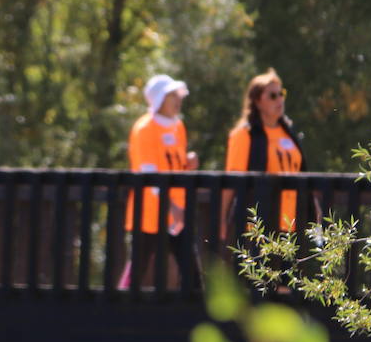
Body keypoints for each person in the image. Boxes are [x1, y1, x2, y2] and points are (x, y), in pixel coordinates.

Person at [124, 74, 200, 290]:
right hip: (149, 213)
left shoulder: (178, 127)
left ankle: (195, 318)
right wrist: (172, 207)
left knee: (192, 275)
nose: (178, 99)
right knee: (136, 273)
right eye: (171, 95)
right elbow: (149, 175)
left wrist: (188, 163)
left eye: (178, 94)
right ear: (159, 99)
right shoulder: (144, 129)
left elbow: (173, 166)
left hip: (177, 215)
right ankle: (118, 314)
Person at [222, 68, 311, 241]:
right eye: (272, 95)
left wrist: (313, 207)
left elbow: (301, 172)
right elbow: (231, 182)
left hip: (292, 224)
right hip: (258, 225)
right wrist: (221, 219)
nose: (279, 99)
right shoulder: (244, 135)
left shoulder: (288, 132)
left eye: (281, 94)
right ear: (257, 101)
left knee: (292, 268)